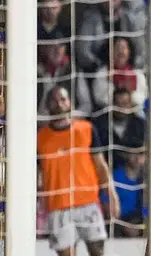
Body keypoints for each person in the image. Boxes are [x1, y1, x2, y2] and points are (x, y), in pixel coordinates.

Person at [38, 86, 119, 256]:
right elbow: (38, 174)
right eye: (54, 100)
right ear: (46, 105)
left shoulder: (86, 129)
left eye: (63, 99)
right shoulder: (40, 137)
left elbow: (100, 165)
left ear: (70, 102)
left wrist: (111, 194)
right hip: (58, 206)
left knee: (98, 252)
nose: (59, 104)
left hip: (88, 202)